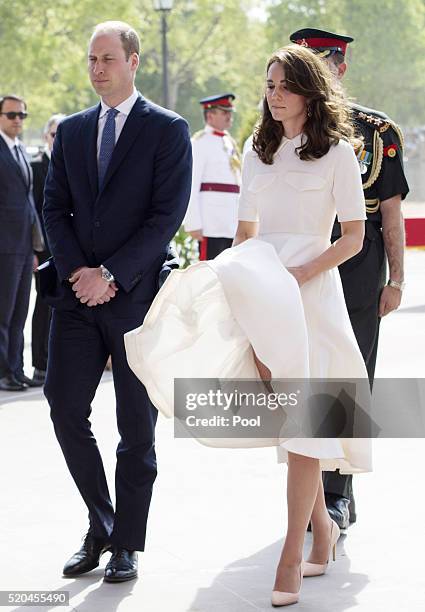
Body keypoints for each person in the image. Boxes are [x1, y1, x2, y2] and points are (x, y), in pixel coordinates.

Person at [125, 45, 372, 606]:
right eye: (269, 84)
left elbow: (353, 238)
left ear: (310, 91)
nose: (274, 94)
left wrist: (303, 273)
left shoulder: (337, 153)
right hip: (264, 295)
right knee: (290, 420)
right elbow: (245, 237)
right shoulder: (256, 153)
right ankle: (323, 533)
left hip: (314, 296)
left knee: (306, 421)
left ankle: (292, 556)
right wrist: (239, 293)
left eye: (284, 85)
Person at [42, 21, 192, 583]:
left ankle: (127, 543)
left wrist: (112, 274)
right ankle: (102, 521)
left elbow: (166, 217)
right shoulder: (74, 132)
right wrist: (82, 272)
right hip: (78, 299)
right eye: (91, 59)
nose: (97, 68)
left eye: (107, 58)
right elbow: (54, 208)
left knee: (136, 428)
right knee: (62, 408)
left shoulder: (167, 130)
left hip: (136, 302)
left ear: (133, 62)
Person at [290, 28, 409, 529]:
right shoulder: (284, 127)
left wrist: (397, 279)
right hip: (299, 256)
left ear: (340, 67)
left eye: (321, 64)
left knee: (348, 377)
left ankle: (338, 491)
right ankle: (311, 491)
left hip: (358, 266)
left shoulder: (376, 132)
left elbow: (393, 213)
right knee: (304, 376)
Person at [0, 94, 44, 392]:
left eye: (22, 116)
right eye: (12, 115)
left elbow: (29, 202)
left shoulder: (20, 151)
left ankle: (16, 368)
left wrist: (35, 245)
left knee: (19, 313)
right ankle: (4, 372)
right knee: (2, 314)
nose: (18, 120)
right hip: (3, 245)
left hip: (23, 246)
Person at [31, 114, 66, 385]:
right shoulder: (35, 167)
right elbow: (36, 211)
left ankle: (58, 362)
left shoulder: (74, 164)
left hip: (70, 251)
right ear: (46, 137)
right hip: (44, 247)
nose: (59, 138)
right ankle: (40, 364)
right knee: (43, 305)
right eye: (55, 134)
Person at [183, 93, 241, 259]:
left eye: (230, 112)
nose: (229, 116)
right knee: (209, 273)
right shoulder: (200, 143)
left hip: (231, 223)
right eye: (224, 112)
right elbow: (191, 184)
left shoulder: (230, 142)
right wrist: (193, 223)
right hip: (210, 224)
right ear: (210, 115)